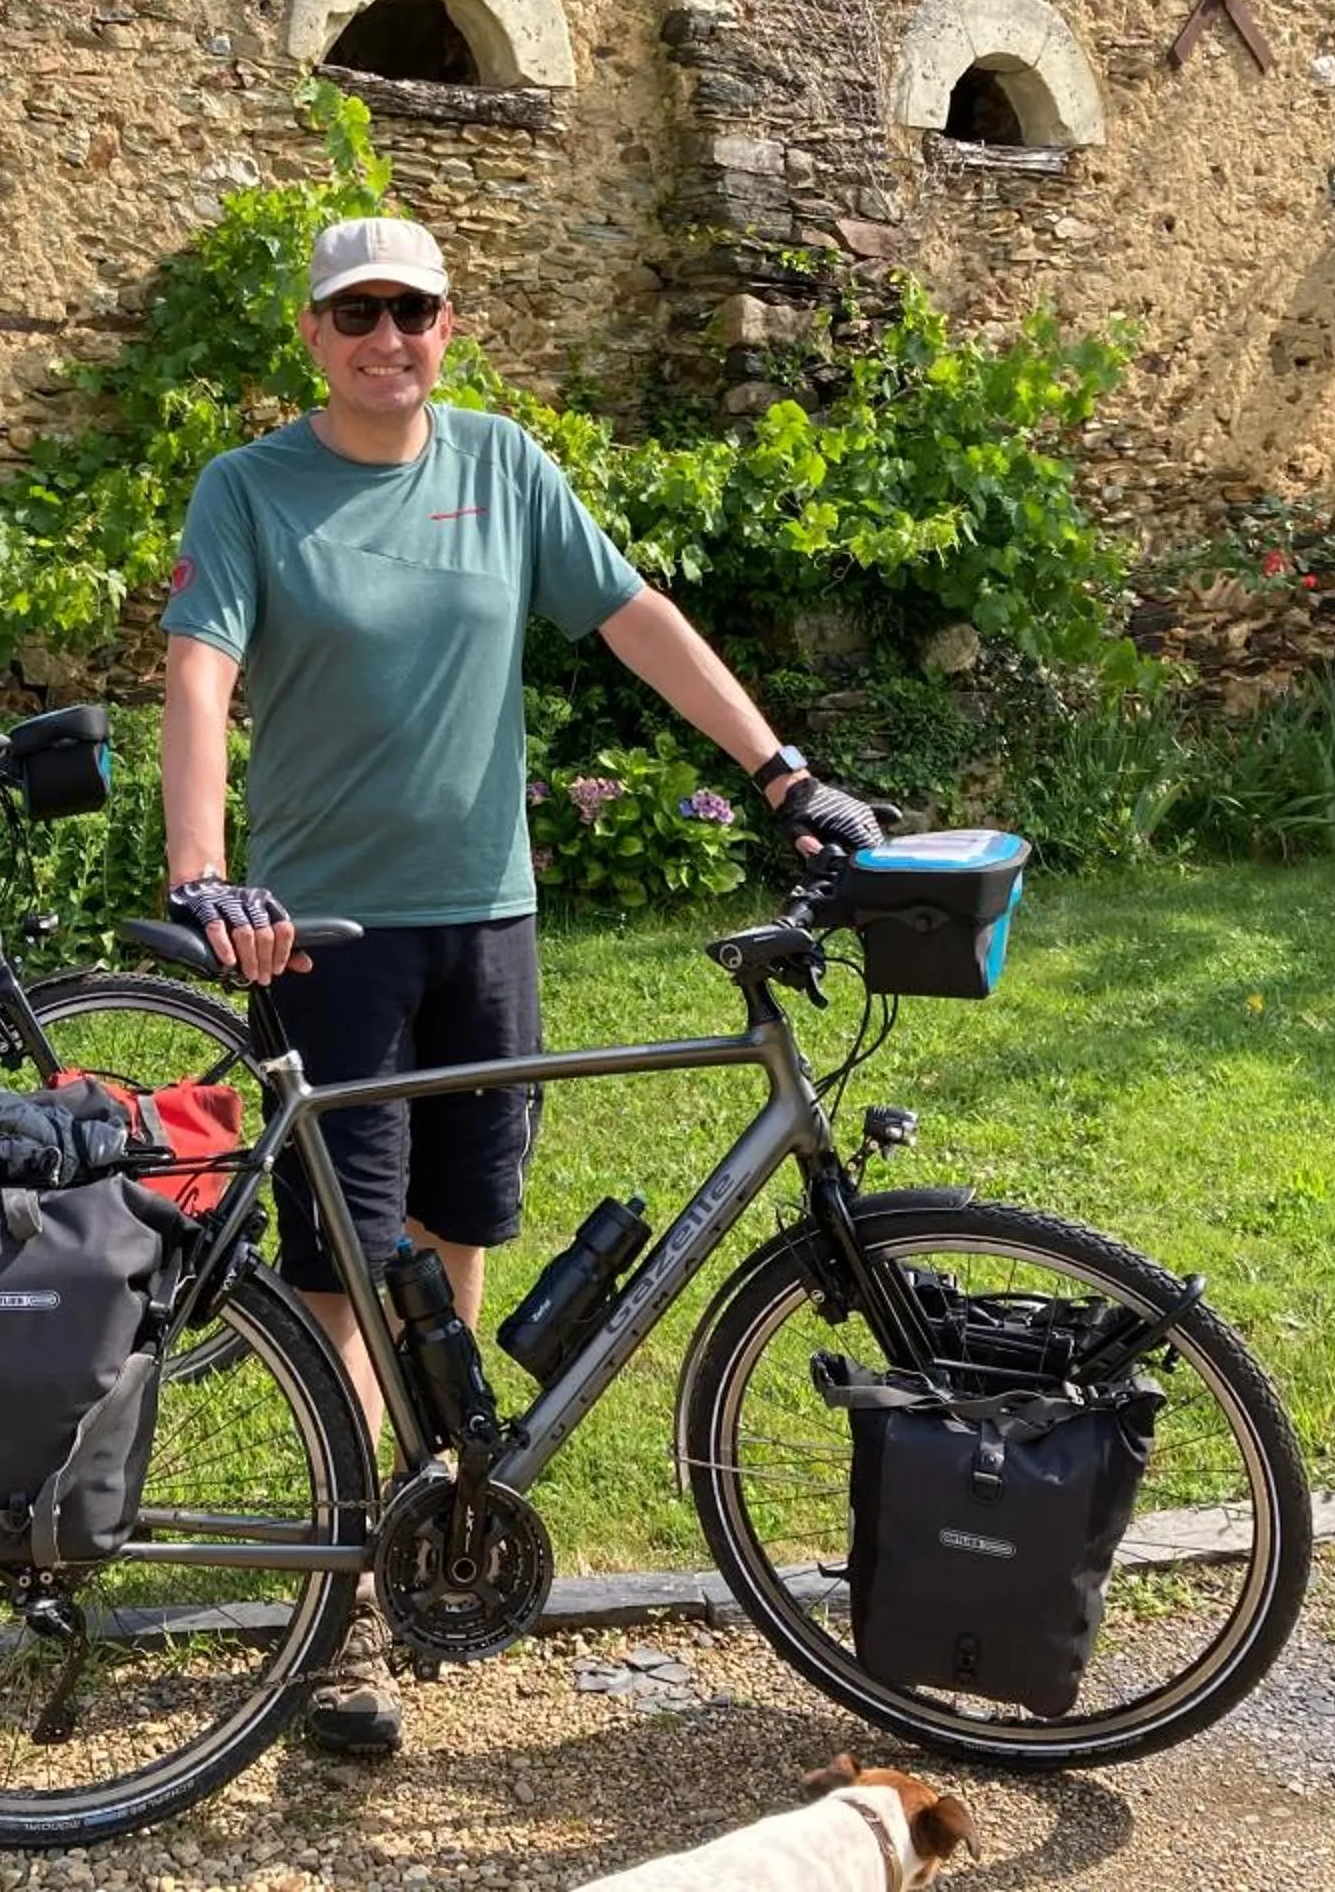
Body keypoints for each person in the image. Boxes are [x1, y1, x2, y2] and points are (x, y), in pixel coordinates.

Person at [157, 215, 881, 1756]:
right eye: (356, 314)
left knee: (458, 1236)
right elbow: (201, 670)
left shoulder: (501, 464)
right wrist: (205, 865)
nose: (386, 338)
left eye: (411, 311)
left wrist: (779, 771)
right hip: (326, 937)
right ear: (312, 334)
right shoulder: (253, 491)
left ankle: (445, 1515)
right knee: (344, 1279)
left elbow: (633, 619)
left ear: (446, 322)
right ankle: (341, 1618)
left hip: (488, 919)